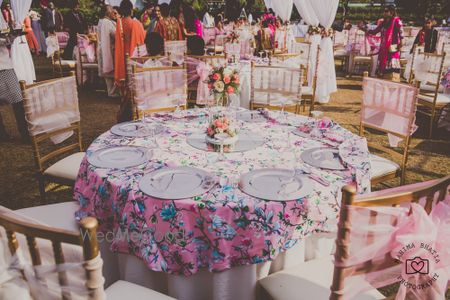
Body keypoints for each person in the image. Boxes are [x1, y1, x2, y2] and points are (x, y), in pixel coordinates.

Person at [114, 0, 145, 121]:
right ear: (131, 10)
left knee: (125, 87)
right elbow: (141, 41)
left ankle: (125, 111)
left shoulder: (119, 23)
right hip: (133, 57)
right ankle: (132, 111)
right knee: (133, 86)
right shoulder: (135, 24)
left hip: (122, 57)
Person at [0, 35, 29, 141]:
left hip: (5, 66)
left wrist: (10, 38)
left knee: (18, 100)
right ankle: (2, 135)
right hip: (5, 65)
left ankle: (25, 133)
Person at [365, 5, 403, 79]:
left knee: (391, 66)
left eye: (386, 11)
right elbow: (375, 31)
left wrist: (401, 41)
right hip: (383, 48)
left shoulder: (397, 20)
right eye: (384, 11)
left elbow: (401, 31)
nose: (384, 13)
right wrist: (365, 29)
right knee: (382, 66)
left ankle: (391, 82)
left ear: (391, 12)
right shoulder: (383, 23)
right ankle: (383, 81)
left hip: (392, 48)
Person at [98, 5, 118, 97]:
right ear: (107, 12)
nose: (113, 12)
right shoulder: (107, 22)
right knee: (110, 70)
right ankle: (112, 92)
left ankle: (111, 91)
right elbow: (115, 34)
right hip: (109, 49)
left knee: (108, 70)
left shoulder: (104, 22)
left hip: (105, 48)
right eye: (111, 11)